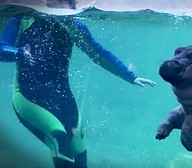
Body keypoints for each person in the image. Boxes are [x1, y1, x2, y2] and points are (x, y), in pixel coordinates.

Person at [0, 1, 156, 168]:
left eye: (68, 2)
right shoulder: (23, 19)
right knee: (58, 138)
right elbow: (2, 50)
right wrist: (19, 53)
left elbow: (98, 53)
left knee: (79, 153)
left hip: (65, 101)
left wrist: (130, 77)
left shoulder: (73, 25)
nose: (63, 5)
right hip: (28, 99)